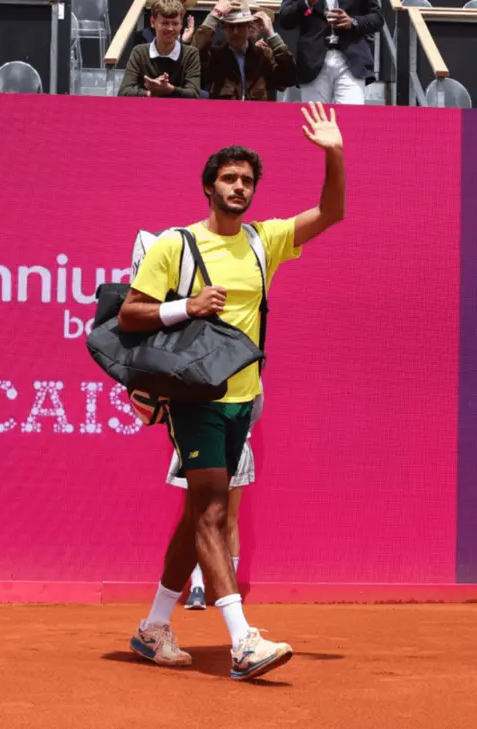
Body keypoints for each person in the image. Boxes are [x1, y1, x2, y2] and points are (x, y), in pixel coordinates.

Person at [118, 102, 345, 681]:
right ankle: (242, 640)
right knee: (215, 509)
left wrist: (335, 155)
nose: (239, 187)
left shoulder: (264, 242)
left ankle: (152, 627)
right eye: (229, 178)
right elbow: (132, 314)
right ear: (209, 187)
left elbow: (332, 213)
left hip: (245, 397)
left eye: (247, 181)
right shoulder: (175, 244)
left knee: (198, 512)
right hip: (195, 399)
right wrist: (185, 306)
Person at [170, 398, 260, 610]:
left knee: (230, 519)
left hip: (234, 447)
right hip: (197, 445)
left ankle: (229, 587)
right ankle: (197, 587)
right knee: (196, 518)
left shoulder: (250, 373)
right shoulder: (197, 371)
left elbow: (255, 409)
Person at [276, 0, 383, 105]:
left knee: (351, 118)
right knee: (315, 118)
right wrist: (306, 3)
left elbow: (377, 18)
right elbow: (285, 19)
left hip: (352, 60)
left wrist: (353, 22)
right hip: (312, 61)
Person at [196, 0, 297, 101]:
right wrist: (213, 16)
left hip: (259, 114)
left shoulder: (264, 56)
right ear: (223, 29)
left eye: (240, 26)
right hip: (225, 114)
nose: (235, 32)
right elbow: (196, 54)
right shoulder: (215, 56)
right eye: (230, 27)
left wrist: (272, 34)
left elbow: (289, 79)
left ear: (249, 27)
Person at [119, 0, 202, 98]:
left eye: (175, 23)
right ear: (153, 22)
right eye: (165, 23)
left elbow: (194, 94)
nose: (170, 28)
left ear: (181, 25)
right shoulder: (139, 52)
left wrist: (169, 89)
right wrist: (150, 93)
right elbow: (124, 92)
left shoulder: (190, 54)